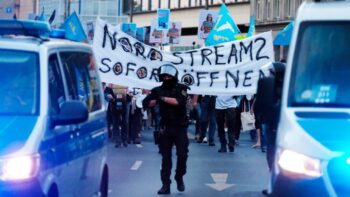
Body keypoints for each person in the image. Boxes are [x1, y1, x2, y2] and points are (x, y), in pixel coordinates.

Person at [143, 64, 189, 195]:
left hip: (180, 127)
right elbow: (145, 103)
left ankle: (179, 176)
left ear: (174, 76)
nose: (167, 78)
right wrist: (152, 101)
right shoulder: (157, 90)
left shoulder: (182, 88)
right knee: (166, 158)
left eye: (169, 76)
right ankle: (165, 184)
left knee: (183, 155)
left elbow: (179, 102)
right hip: (166, 127)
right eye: (164, 76)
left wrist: (161, 99)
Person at [255, 61, 286, 195]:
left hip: (277, 126)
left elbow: (258, 107)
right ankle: (274, 183)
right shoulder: (289, 85)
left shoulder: (270, 86)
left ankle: (276, 183)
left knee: (273, 154)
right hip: (276, 125)